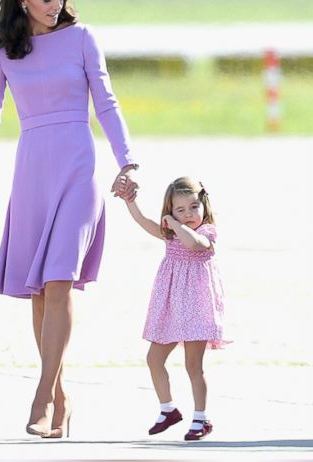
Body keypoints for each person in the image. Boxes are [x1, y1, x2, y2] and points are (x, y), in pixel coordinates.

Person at [0, 0, 139, 438]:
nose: (57, 6)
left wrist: (128, 161)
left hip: (79, 167)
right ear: (22, 0)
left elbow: (107, 102)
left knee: (59, 281)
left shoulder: (81, 39)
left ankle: (40, 394)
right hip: (32, 170)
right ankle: (61, 397)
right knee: (39, 291)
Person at [116, 175, 229, 441]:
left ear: (204, 205)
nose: (188, 214)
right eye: (180, 209)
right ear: (170, 211)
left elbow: (193, 244)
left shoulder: (205, 232)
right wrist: (129, 202)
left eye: (193, 207)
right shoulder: (171, 233)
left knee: (193, 365)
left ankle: (201, 418)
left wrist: (176, 224)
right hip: (171, 307)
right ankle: (168, 410)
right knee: (154, 359)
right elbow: (144, 222)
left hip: (198, 308)